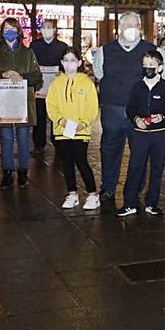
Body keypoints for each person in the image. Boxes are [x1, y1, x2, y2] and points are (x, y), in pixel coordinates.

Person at [93, 12, 158, 201]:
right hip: (112, 109)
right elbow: (99, 73)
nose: (131, 29)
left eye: (135, 25)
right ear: (119, 28)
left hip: (140, 111)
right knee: (109, 150)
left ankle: (136, 188)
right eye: (127, 25)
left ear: (140, 28)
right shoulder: (105, 51)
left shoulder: (151, 51)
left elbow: (161, 77)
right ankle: (108, 187)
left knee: (140, 151)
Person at [0, 17, 43, 189]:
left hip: (23, 102)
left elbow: (38, 77)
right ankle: (8, 172)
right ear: (2, 31)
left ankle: (23, 172)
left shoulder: (28, 53)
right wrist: (2, 74)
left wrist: (23, 77)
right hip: (4, 102)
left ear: (19, 32)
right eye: (6, 28)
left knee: (24, 138)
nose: (10, 32)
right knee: (6, 138)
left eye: (13, 29)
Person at [119, 49, 165, 216]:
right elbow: (130, 109)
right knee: (135, 167)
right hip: (140, 134)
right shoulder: (138, 86)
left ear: (159, 68)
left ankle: (152, 203)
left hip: (160, 135)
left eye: (151, 65)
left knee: (157, 169)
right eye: (145, 65)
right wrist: (137, 119)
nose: (148, 68)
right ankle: (129, 203)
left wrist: (162, 117)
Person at [47, 49, 100, 210]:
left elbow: (92, 106)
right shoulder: (56, 83)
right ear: (62, 63)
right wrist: (61, 121)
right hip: (62, 130)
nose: (69, 63)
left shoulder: (86, 83)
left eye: (72, 60)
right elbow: (51, 105)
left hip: (80, 130)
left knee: (81, 161)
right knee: (67, 162)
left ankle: (92, 194)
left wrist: (83, 123)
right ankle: (72, 193)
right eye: (66, 60)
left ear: (78, 63)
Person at [30, 19, 69, 151]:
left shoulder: (62, 47)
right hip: (39, 88)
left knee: (56, 115)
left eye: (49, 27)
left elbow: (67, 66)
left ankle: (57, 141)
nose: (46, 29)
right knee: (39, 116)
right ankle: (39, 143)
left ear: (55, 30)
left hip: (56, 87)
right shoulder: (34, 46)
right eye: (44, 27)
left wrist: (62, 73)